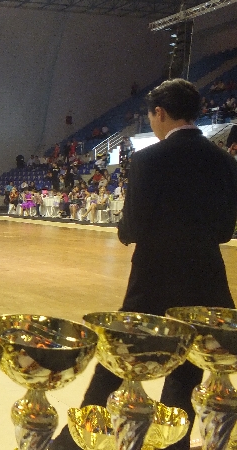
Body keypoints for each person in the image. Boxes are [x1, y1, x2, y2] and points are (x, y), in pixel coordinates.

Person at [50, 78, 237, 450]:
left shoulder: (147, 159)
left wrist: (125, 231)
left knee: (118, 358)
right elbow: (223, 230)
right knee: (186, 369)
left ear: (160, 113)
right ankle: (173, 442)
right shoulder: (226, 162)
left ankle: (76, 441)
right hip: (205, 276)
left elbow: (133, 226)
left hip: (153, 277)